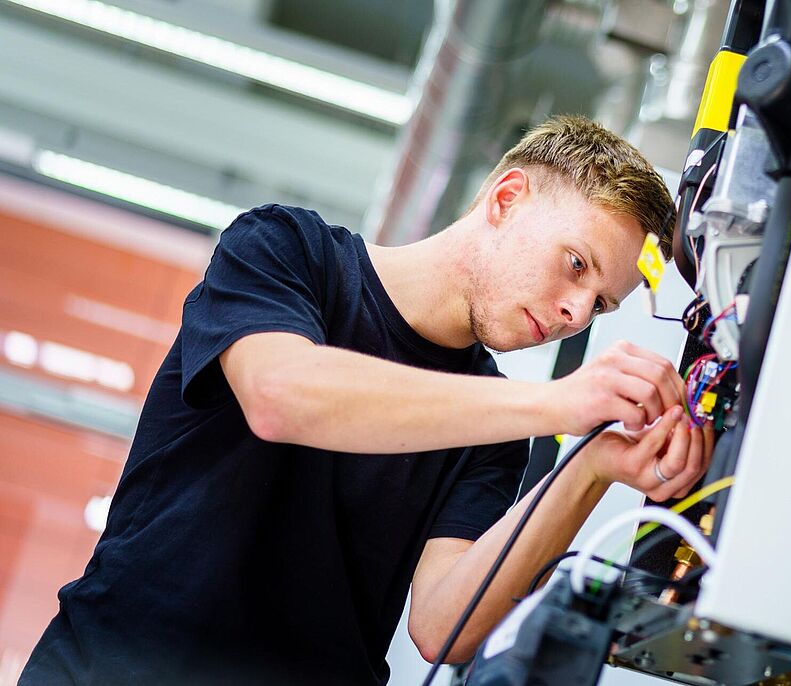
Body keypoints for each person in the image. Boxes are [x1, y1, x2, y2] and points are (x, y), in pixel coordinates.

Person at [21, 115, 712, 685]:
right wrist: (560, 407)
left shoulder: (494, 427)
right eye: (575, 264)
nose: (574, 312)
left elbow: (445, 627)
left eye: (599, 303)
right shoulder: (289, 251)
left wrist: (589, 468)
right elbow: (281, 395)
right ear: (506, 200)